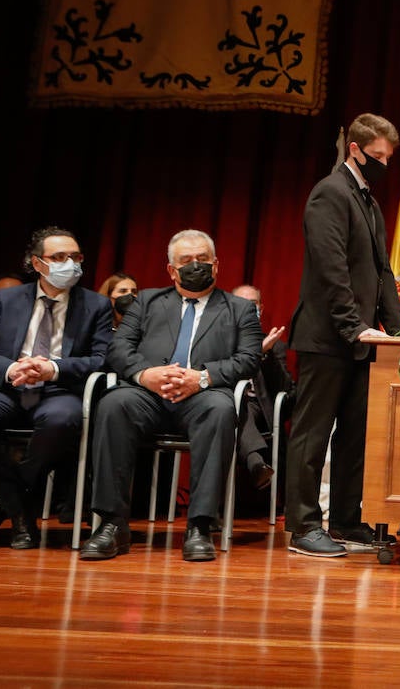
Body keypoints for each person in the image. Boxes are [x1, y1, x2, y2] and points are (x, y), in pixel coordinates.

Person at [81, 229, 261, 562]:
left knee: (221, 411)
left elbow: (249, 358)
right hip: (148, 394)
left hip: (203, 394)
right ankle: (111, 524)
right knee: (113, 404)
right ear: (171, 270)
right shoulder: (147, 301)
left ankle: (199, 526)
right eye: (186, 261)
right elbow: (118, 348)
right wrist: (145, 374)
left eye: (203, 260)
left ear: (216, 265)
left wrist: (202, 377)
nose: (196, 266)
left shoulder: (239, 309)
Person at [0, 226, 114, 549]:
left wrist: (52, 369)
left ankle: (1, 506)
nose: (70, 263)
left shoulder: (96, 305)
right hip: (9, 386)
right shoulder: (9, 299)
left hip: (58, 390)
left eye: (76, 257)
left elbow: (102, 359)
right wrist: (11, 368)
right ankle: (20, 510)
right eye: (59, 257)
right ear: (37, 263)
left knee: (62, 421)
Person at [286, 114, 400, 558]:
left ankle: (347, 521)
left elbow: (381, 273)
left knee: (355, 433)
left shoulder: (368, 201)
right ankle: (302, 526)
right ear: (354, 149)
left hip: (367, 340)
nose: (383, 165)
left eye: (388, 158)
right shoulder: (329, 193)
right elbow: (330, 268)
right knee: (313, 433)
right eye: (377, 156)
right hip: (328, 337)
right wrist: (353, 327)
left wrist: (397, 332)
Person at [232, 283, 292, 492]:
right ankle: (256, 462)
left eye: (253, 304)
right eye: (241, 304)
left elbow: (285, 387)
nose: (248, 308)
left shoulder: (274, 344)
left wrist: (265, 354)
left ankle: (256, 462)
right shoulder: (220, 340)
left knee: (244, 407)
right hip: (223, 402)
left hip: (260, 407)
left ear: (261, 308)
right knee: (235, 405)